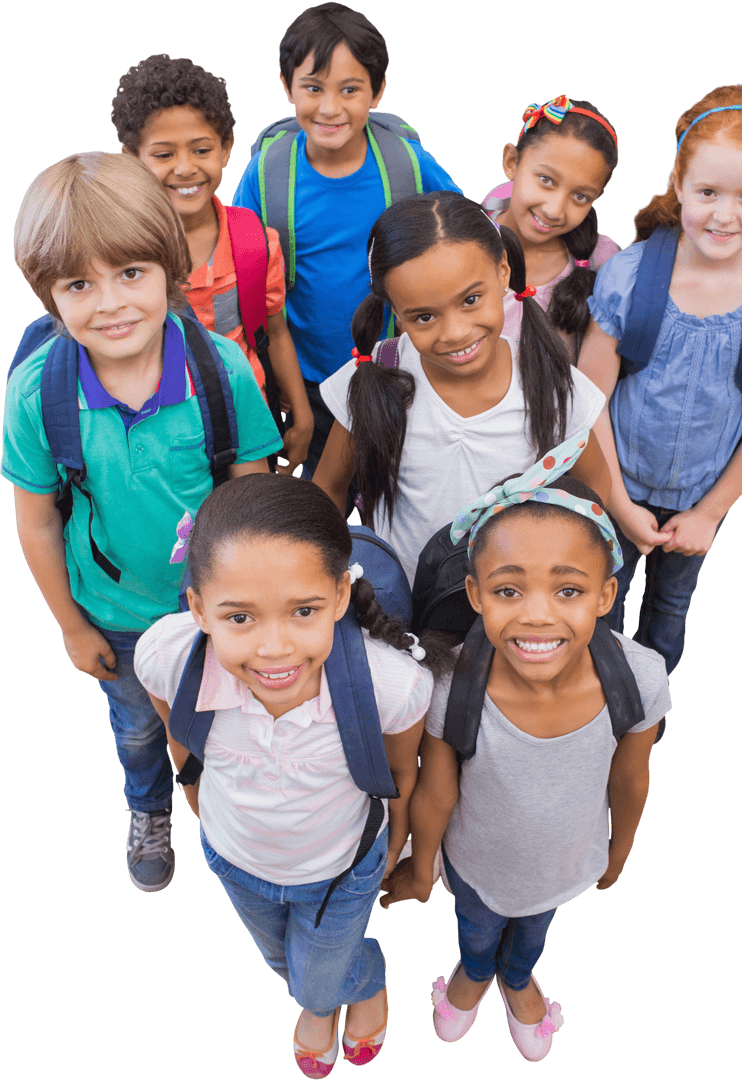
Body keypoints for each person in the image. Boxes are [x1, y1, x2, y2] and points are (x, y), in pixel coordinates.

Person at [3, 153, 282, 891]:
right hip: (115, 613)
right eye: (78, 285)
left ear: (169, 268)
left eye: (130, 273)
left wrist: (255, 608)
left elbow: (253, 496)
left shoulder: (221, 370)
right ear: (48, 295)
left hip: (216, 608)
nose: (110, 304)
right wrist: (71, 626)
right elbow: (36, 522)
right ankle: (148, 807)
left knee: (226, 718)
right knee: (136, 729)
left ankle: (231, 814)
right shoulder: (35, 395)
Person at [134, 473, 448, 1077]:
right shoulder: (167, 655)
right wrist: (196, 796)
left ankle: (356, 984)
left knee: (311, 977)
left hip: (341, 868)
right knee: (282, 959)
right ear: (198, 609)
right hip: (235, 859)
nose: (274, 648)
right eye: (239, 617)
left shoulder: (391, 684)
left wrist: (397, 842)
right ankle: (332, 985)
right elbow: (178, 734)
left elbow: (399, 770)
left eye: (303, 611)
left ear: (339, 595)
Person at [380, 440, 671, 1062]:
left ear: (605, 595)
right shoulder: (453, 683)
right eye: (509, 591)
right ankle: (475, 972)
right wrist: (423, 867)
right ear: (476, 594)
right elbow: (437, 789)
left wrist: (618, 852)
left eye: (568, 591)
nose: (537, 616)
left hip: (564, 865)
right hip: (474, 867)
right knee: (476, 930)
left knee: (534, 934)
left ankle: (517, 978)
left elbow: (631, 778)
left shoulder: (639, 678)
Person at [578, 83, 742, 673]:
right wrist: (617, 501)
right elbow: (588, 399)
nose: (724, 214)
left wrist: (709, 513)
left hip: (704, 496)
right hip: (614, 485)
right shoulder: (629, 277)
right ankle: (598, 709)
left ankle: (649, 711)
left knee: (668, 615)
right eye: (708, 191)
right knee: (597, 613)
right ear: (678, 183)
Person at [313, 190, 610, 584]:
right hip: (396, 605)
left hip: (504, 608)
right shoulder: (375, 374)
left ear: (503, 272)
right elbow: (329, 490)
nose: (455, 332)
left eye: (471, 299)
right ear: (396, 312)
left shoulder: (552, 383)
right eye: (423, 317)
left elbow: (594, 485)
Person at [232, 2, 461, 476]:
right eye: (313, 88)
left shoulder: (406, 163)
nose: (330, 108)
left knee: (398, 499)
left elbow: (465, 232)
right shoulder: (268, 172)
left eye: (350, 89)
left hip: (397, 378)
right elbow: (240, 265)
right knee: (319, 504)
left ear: (378, 91)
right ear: (286, 86)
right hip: (305, 386)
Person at [111, 53, 314, 474]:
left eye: (201, 149)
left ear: (226, 148)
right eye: (163, 155)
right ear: (132, 159)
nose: (186, 168)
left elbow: (274, 332)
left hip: (248, 430)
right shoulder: (119, 252)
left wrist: (302, 412)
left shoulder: (255, 243)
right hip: (162, 445)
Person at [483, 95, 620, 359]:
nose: (554, 210)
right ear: (511, 162)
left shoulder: (603, 262)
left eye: (580, 196)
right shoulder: (460, 240)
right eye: (546, 180)